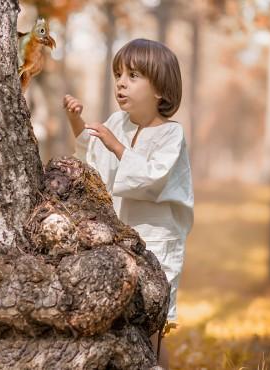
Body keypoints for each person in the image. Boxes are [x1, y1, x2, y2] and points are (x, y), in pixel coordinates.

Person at [63, 38, 194, 369]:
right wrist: (77, 122)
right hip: (121, 237)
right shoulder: (117, 123)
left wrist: (118, 147)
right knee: (120, 313)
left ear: (160, 90)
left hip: (158, 239)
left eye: (133, 75)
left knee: (152, 317)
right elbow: (93, 156)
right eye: (118, 74)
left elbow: (152, 178)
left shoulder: (170, 135)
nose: (121, 82)